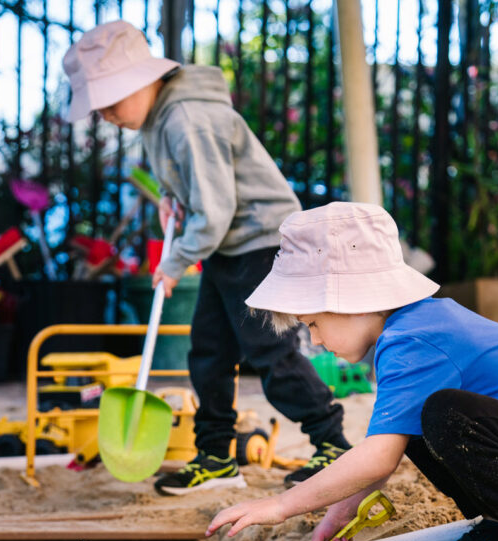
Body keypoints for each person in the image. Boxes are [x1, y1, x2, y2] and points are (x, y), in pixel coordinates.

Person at [206, 202, 498, 541]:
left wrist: (281, 507)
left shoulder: (412, 339)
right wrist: (340, 511)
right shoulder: (408, 329)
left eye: (313, 324)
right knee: (415, 425)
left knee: (444, 414)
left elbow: (376, 460)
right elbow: (385, 449)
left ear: (351, 298)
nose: (315, 341)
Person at [63, 20, 352, 494]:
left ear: (142, 81)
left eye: (110, 101)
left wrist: (173, 261)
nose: (107, 115)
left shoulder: (187, 119)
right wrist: (169, 198)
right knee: (210, 353)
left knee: (268, 350)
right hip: (227, 245)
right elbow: (198, 190)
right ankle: (216, 455)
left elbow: (215, 211)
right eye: (98, 108)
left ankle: (333, 443)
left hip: (258, 244)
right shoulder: (157, 119)